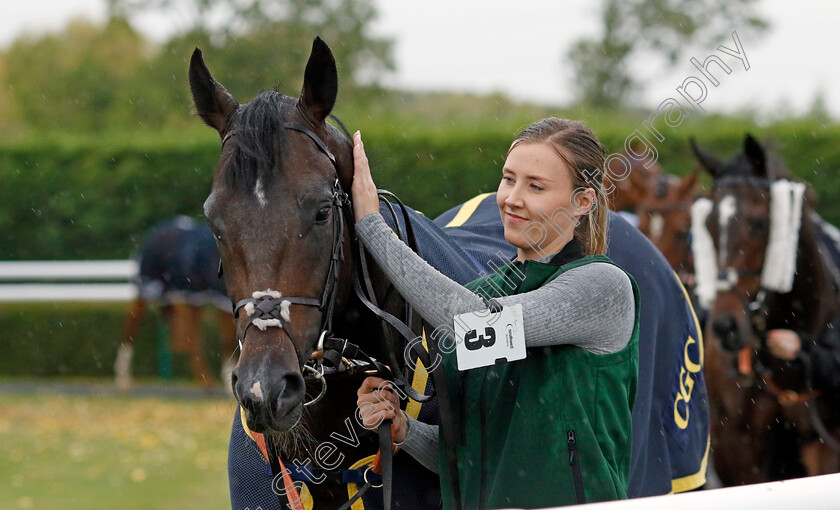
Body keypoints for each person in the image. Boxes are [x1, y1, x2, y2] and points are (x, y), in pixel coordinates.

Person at [350, 118, 641, 509]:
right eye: (508, 179)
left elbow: (474, 323)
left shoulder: (602, 287)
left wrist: (372, 226)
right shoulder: (481, 295)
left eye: (535, 186)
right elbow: (472, 456)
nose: (512, 198)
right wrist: (405, 429)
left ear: (583, 202)